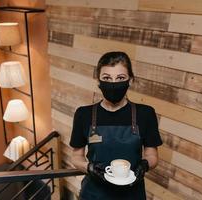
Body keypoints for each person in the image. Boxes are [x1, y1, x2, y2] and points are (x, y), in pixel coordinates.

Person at [69, 51, 163, 200]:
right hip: (93, 194)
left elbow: (152, 155)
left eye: (120, 78)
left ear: (130, 80)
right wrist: (89, 167)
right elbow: (76, 157)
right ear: (98, 81)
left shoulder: (145, 114)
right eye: (107, 78)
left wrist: (145, 165)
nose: (113, 83)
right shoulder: (84, 114)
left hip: (132, 194)